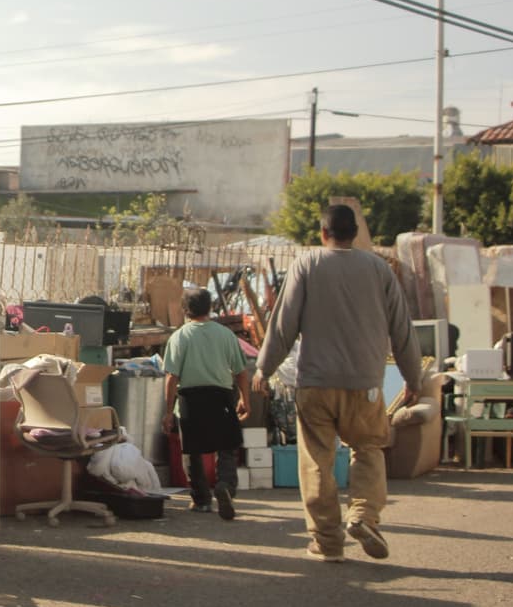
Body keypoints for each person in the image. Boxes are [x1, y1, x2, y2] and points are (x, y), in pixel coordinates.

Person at [253, 204, 421, 563]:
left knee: (317, 461)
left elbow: (284, 326)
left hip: (315, 384)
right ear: (355, 233)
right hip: (365, 385)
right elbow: (402, 330)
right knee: (368, 450)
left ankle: (327, 542)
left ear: (323, 233)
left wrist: (262, 369)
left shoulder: (308, 265)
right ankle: (363, 515)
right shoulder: (379, 269)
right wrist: (412, 377)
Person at [162, 288, 249, 520]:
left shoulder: (179, 337)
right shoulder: (226, 335)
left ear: (185, 310)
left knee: (192, 450)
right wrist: (244, 399)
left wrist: (168, 412)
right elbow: (241, 372)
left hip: (190, 398)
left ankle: (201, 499)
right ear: (210, 308)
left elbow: (172, 377)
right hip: (221, 396)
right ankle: (226, 486)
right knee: (227, 446)